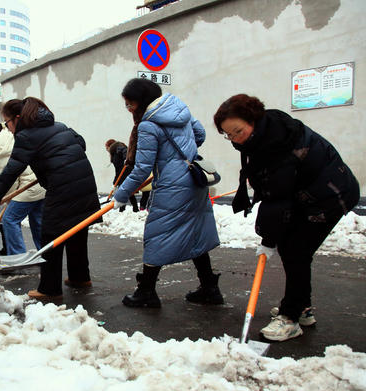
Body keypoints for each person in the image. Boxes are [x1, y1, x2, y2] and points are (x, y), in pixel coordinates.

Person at [213, 94, 360, 342]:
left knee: (296, 250)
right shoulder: (263, 134)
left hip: (330, 196)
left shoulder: (277, 144)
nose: (234, 139)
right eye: (228, 135)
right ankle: (301, 307)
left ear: (253, 120)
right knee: (293, 249)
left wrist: (268, 239)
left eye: (237, 131)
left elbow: (278, 199)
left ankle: (291, 318)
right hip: (306, 194)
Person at [113, 78, 221, 308]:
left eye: (130, 104)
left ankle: (146, 292)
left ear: (141, 102)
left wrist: (121, 194)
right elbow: (199, 134)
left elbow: (142, 168)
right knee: (195, 233)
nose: (129, 109)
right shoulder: (181, 111)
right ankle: (210, 288)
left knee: (156, 235)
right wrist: (179, 155)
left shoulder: (148, 125)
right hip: (194, 182)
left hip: (172, 189)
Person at [0, 97, 101, 301]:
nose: (7, 128)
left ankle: (49, 288)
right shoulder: (60, 126)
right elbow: (80, 144)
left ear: (18, 118)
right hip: (85, 186)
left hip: (62, 190)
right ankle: (80, 277)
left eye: (7, 122)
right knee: (77, 233)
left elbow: (12, 170)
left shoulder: (26, 136)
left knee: (50, 237)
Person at [0, 120, 45, 254]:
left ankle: (17, 257)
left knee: (9, 219)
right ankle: (44, 253)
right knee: (37, 222)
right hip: (39, 185)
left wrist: (8, 199)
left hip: (28, 187)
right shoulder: (9, 139)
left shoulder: (2, 148)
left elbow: (9, 179)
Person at [105, 139, 139, 213]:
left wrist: (126, 160)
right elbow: (117, 169)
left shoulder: (118, 148)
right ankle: (132, 209)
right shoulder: (115, 152)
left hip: (125, 173)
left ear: (109, 146)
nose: (106, 150)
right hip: (121, 174)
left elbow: (126, 152)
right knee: (126, 192)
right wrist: (115, 182)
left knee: (125, 191)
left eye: (106, 148)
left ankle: (128, 209)